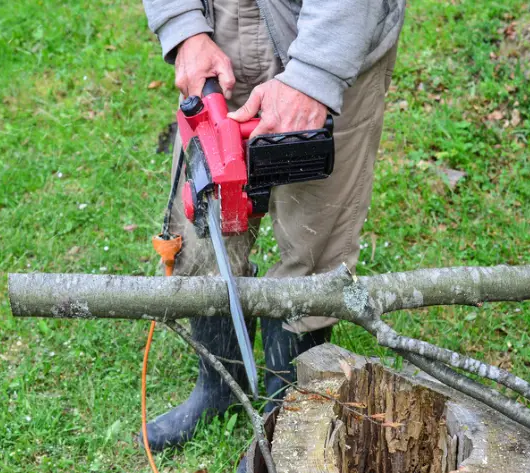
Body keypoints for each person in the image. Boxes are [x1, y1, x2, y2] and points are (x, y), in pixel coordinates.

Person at [140, 0, 405, 453]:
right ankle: (219, 387)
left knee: (315, 248)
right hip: (220, 35)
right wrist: (183, 26)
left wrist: (315, 75)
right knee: (203, 234)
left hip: (335, 36)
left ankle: (287, 415)